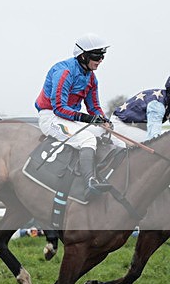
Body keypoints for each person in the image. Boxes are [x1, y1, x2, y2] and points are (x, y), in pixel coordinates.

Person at [34, 33, 125, 200]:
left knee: (117, 139)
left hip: (72, 119)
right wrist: (90, 120)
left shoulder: (91, 78)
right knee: (87, 139)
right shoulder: (64, 72)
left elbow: (94, 107)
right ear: (83, 56)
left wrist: (103, 120)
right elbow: (59, 109)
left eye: (102, 56)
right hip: (52, 117)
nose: (100, 61)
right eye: (97, 56)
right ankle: (89, 182)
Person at [112, 76, 170, 142]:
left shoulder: (166, 100)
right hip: (120, 124)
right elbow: (153, 136)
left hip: (131, 126)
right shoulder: (157, 105)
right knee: (154, 143)